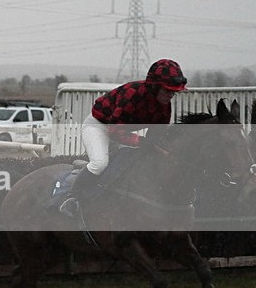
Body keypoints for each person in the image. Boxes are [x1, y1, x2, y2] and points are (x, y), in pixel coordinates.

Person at [59, 58, 188, 214]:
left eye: (173, 92)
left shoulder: (164, 106)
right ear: (154, 87)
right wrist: (141, 141)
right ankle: (72, 199)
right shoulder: (132, 93)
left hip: (121, 132)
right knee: (99, 163)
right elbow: (115, 132)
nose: (171, 95)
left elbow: (157, 134)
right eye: (167, 90)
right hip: (99, 126)